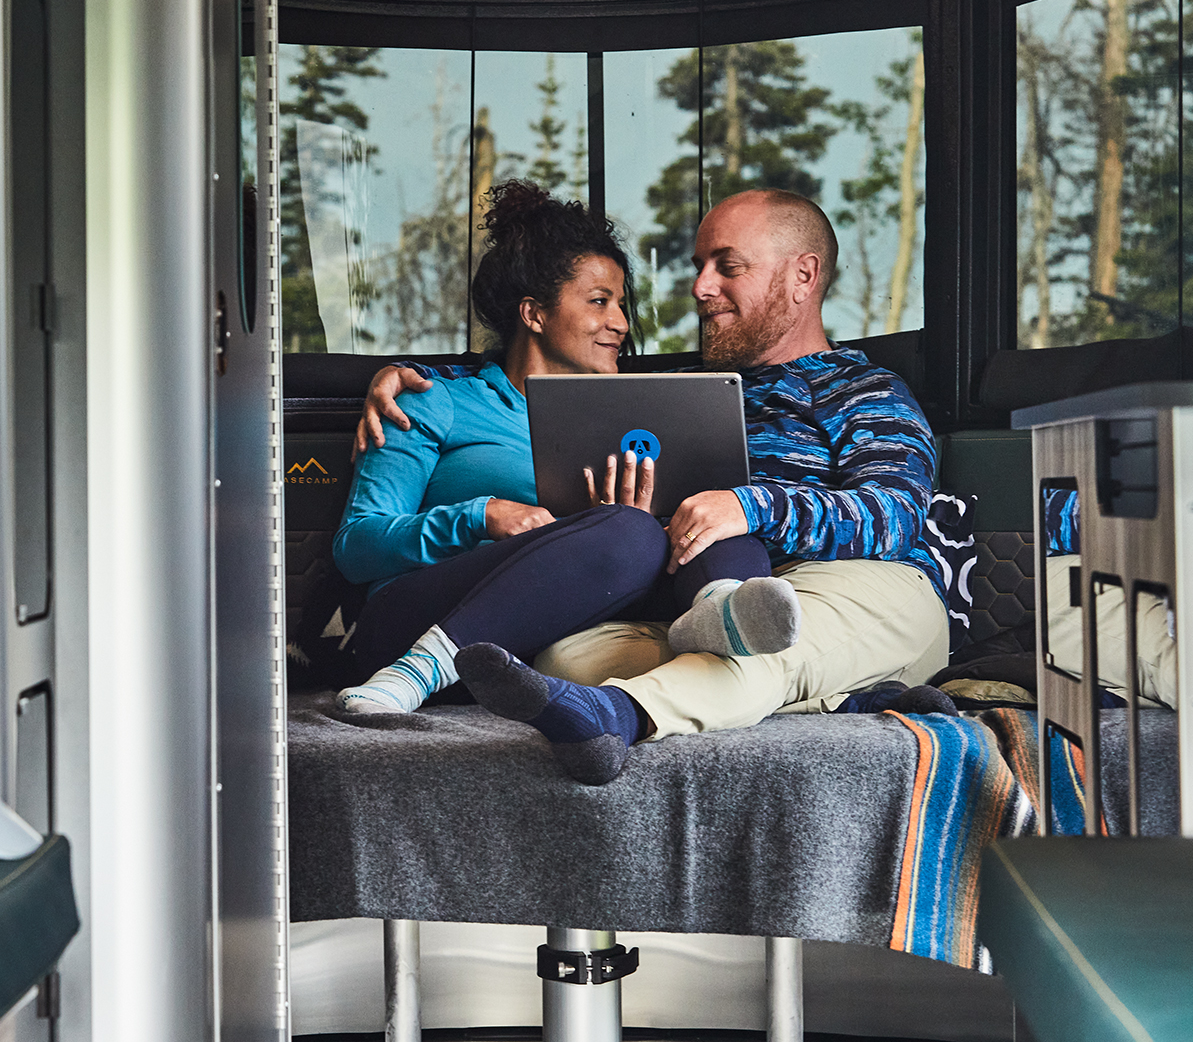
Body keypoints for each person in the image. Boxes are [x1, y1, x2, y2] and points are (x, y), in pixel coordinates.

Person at [360, 188, 950, 785]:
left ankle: (616, 714)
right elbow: (524, 378)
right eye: (699, 268)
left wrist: (748, 506)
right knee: (563, 657)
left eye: (727, 266)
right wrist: (409, 378)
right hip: (701, 598)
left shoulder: (863, 390)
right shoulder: (667, 395)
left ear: (803, 275)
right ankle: (843, 695)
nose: (700, 288)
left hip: (846, 586)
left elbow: (892, 513)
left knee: (761, 643)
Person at [334, 181, 799, 733]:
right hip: (409, 626)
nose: (622, 323)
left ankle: (718, 612)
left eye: (622, 304)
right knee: (629, 530)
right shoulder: (432, 401)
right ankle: (415, 673)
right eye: (599, 301)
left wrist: (620, 524)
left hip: (539, 649)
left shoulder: (634, 418)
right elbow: (357, 546)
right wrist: (480, 515)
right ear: (533, 314)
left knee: (702, 520)